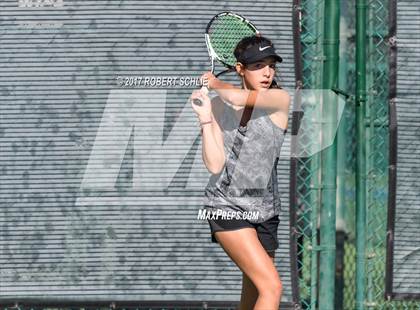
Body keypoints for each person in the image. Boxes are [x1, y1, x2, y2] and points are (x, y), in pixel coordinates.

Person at [190, 35, 290, 310]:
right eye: (258, 65)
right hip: (226, 207)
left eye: (271, 65)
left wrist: (215, 83)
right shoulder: (221, 106)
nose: (267, 72)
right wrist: (206, 118)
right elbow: (214, 164)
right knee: (272, 287)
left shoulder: (278, 99)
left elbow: (237, 96)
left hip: (266, 211)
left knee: (256, 295)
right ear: (240, 69)